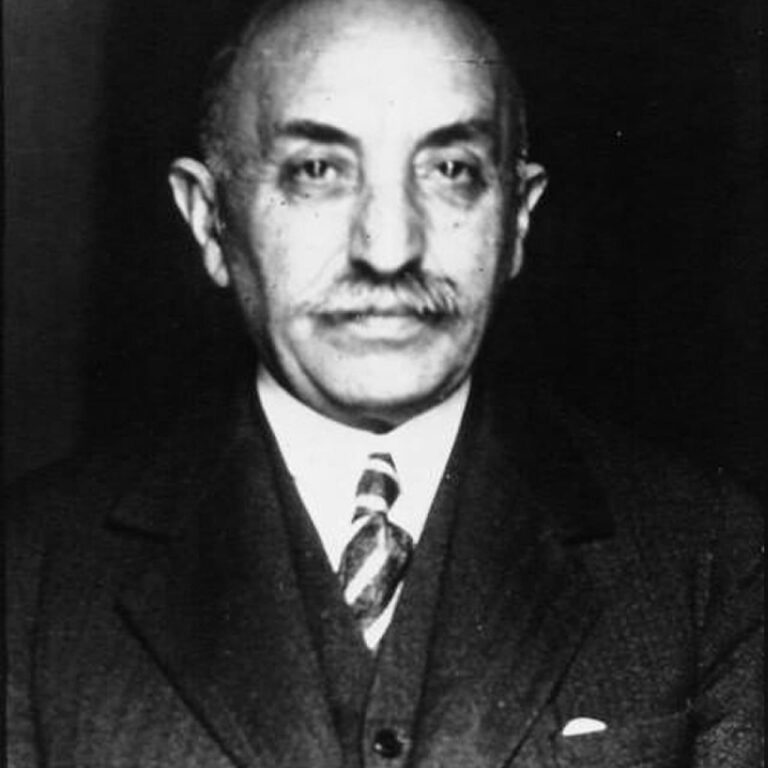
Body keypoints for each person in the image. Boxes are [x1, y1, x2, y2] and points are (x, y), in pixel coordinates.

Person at [6, 0, 763, 765]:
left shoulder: (711, 555)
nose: (390, 248)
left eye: (451, 171)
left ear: (518, 219)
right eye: (317, 170)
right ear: (208, 218)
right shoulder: (29, 573)